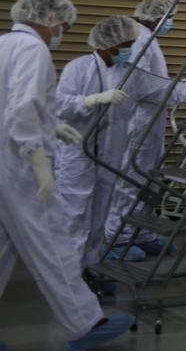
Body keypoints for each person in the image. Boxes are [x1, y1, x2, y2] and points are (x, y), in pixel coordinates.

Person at [0, 0, 134, 351]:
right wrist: (39, 161)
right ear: (50, 19)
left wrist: (51, 125)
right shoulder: (33, 49)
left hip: (4, 162)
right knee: (53, 241)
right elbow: (23, 107)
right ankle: (84, 324)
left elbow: (13, 103)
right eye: (65, 26)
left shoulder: (4, 44)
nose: (62, 34)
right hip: (20, 165)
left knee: (2, 249)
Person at [104, 0, 186, 256]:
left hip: (149, 122)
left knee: (147, 182)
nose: (172, 22)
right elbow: (145, 86)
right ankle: (118, 237)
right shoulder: (139, 40)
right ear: (158, 16)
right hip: (137, 123)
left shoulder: (146, 38)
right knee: (131, 180)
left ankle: (141, 232)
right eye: (171, 17)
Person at [55, 16, 145, 265]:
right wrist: (90, 100)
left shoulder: (129, 73)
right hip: (78, 154)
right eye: (127, 44)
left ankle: (91, 264)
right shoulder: (78, 68)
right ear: (109, 43)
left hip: (109, 155)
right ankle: (69, 271)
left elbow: (160, 88)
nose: (130, 49)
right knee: (74, 213)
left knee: (100, 213)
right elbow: (60, 104)